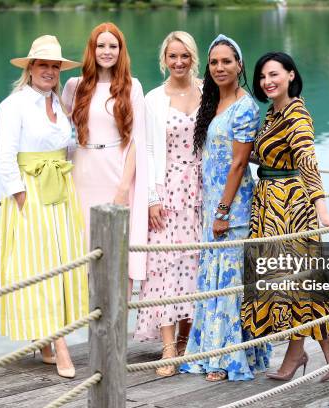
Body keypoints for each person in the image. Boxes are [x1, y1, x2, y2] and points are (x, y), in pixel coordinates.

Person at [240, 51, 329, 382]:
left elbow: (307, 161)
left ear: (290, 74)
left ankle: (298, 353)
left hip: (291, 207)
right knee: (288, 285)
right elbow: (263, 153)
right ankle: (327, 343)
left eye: (274, 74)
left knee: (295, 284)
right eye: (262, 77)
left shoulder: (296, 114)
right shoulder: (274, 113)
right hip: (269, 204)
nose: (267, 81)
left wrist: (324, 211)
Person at [0, 35, 87, 379]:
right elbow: (5, 157)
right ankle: (60, 345)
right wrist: (21, 198)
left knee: (61, 264)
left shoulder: (58, 103)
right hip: (31, 192)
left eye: (54, 66)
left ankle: (46, 341)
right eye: (43, 65)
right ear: (30, 68)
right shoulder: (13, 105)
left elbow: (66, 147)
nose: (49, 71)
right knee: (40, 266)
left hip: (60, 189)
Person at [179, 34, 270, 382]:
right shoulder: (212, 101)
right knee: (214, 276)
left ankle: (226, 357)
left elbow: (238, 164)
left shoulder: (245, 107)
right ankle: (210, 349)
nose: (219, 67)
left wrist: (222, 212)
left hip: (232, 207)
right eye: (214, 62)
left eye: (226, 61)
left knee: (229, 279)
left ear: (240, 65)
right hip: (213, 204)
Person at [134, 31, 203, 377]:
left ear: (193, 58)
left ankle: (187, 342)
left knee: (194, 265)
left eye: (185, 56)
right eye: (172, 56)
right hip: (167, 189)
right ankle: (166, 345)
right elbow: (145, 151)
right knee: (163, 265)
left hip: (201, 191)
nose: (179, 62)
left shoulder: (208, 92)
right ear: (164, 59)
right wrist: (150, 198)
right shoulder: (153, 99)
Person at [62, 22, 148, 284]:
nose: (107, 51)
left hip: (115, 172)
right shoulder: (74, 86)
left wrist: (124, 186)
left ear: (121, 50)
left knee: (117, 252)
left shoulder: (133, 87)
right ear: (92, 49)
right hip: (82, 174)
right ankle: (90, 318)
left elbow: (137, 141)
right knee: (84, 250)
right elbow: (61, 130)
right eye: (101, 46)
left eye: (113, 46)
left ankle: (117, 323)